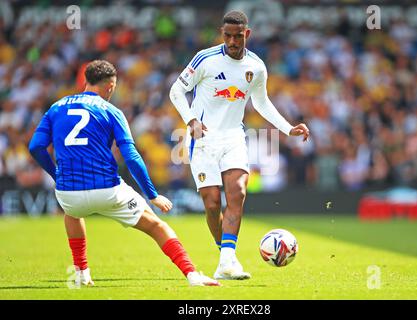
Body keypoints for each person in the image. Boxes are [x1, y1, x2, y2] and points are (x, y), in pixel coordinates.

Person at [28, 60, 219, 287]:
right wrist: (152, 194)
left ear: (86, 81)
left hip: (68, 193)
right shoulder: (111, 111)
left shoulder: (56, 108)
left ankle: (81, 272)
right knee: (157, 226)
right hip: (107, 190)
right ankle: (192, 274)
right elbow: (131, 156)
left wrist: (55, 174)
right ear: (110, 86)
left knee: (72, 213)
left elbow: (35, 147)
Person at [169, 11, 310, 280]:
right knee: (211, 204)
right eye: (227, 35)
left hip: (233, 136)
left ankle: (227, 261)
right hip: (202, 139)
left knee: (238, 192)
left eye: (237, 36)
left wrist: (288, 128)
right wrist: (190, 120)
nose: (232, 41)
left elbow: (261, 102)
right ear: (222, 33)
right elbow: (176, 90)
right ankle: (224, 253)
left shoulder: (256, 67)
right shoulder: (205, 59)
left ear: (247, 34)